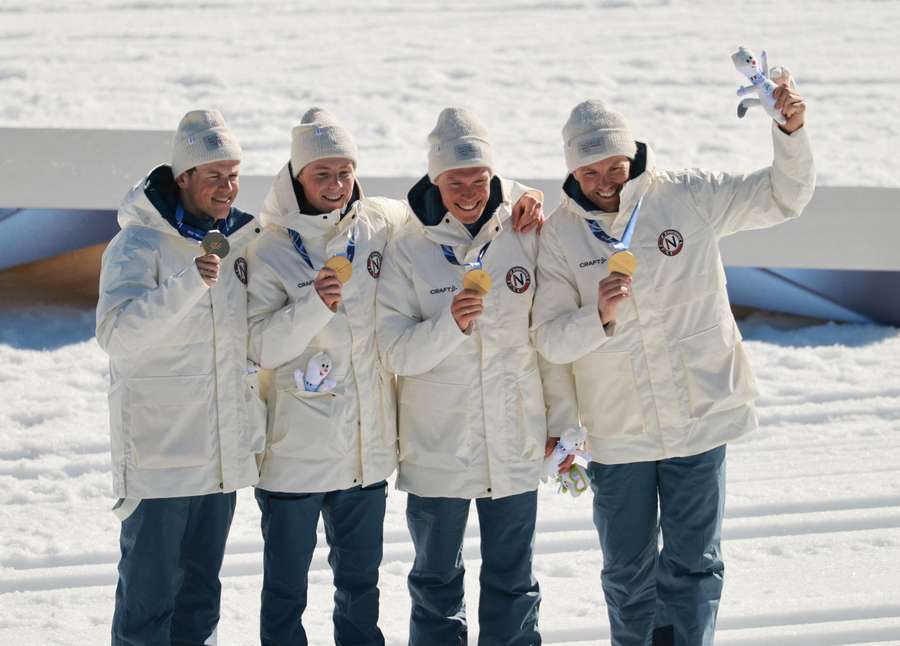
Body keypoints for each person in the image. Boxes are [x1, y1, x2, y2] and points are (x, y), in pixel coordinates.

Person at [530, 78, 815, 646]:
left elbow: (784, 195)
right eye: (589, 173)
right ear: (572, 172)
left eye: (614, 168)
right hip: (619, 432)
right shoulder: (560, 235)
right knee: (627, 571)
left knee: (693, 565)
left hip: (698, 414)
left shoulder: (685, 195)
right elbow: (551, 340)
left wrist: (791, 133)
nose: (604, 183)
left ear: (632, 155)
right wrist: (598, 317)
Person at [247, 107, 545, 646]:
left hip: (365, 452)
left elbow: (456, 191)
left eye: (344, 171)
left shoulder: (379, 223)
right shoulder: (269, 248)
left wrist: (526, 194)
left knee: (360, 591)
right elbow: (260, 348)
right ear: (296, 176)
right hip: (296, 453)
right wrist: (314, 306)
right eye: (321, 173)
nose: (336, 184)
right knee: (287, 593)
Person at [376, 107, 566, 646]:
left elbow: (547, 340)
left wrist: (561, 422)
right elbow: (394, 352)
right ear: (435, 180)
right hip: (439, 447)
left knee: (515, 582)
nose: (469, 193)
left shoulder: (525, 233)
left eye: (479, 180)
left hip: (514, 437)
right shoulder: (408, 248)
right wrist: (449, 326)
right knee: (436, 582)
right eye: (455, 182)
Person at [96, 109, 266, 645]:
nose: (227, 187)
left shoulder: (238, 241)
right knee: (148, 610)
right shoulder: (137, 244)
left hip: (218, 459)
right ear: (184, 177)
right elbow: (118, 335)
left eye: (233, 175)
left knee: (199, 606)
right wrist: (188, 284)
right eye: (214, 175)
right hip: (161, 459)